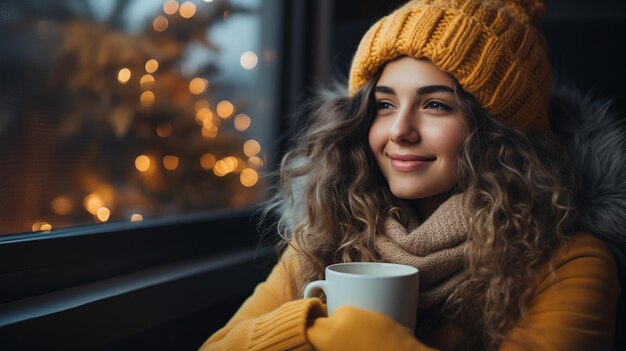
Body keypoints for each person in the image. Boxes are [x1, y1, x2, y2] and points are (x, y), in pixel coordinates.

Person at [200, 0, 624, 350]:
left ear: (498, 133)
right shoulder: (331, 234)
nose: (399, 131)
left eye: (436, 104)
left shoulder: (570, 263)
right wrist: (312, 325)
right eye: (384, 105)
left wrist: (365, 339)